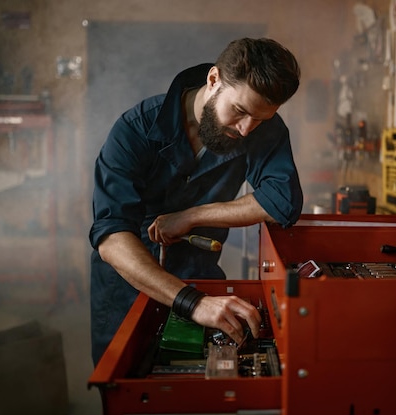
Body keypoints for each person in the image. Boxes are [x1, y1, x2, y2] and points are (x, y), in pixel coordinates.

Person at [89, 38, 303, 365]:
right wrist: (195, 303)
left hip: (200, 277)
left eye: (259, 120)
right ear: (214, 80)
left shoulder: (259, 124)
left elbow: (282, 201)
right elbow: (110, 237)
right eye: (240, 112)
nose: (247, 130)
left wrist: (191, 216)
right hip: (128, 289)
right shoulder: (136, 130)